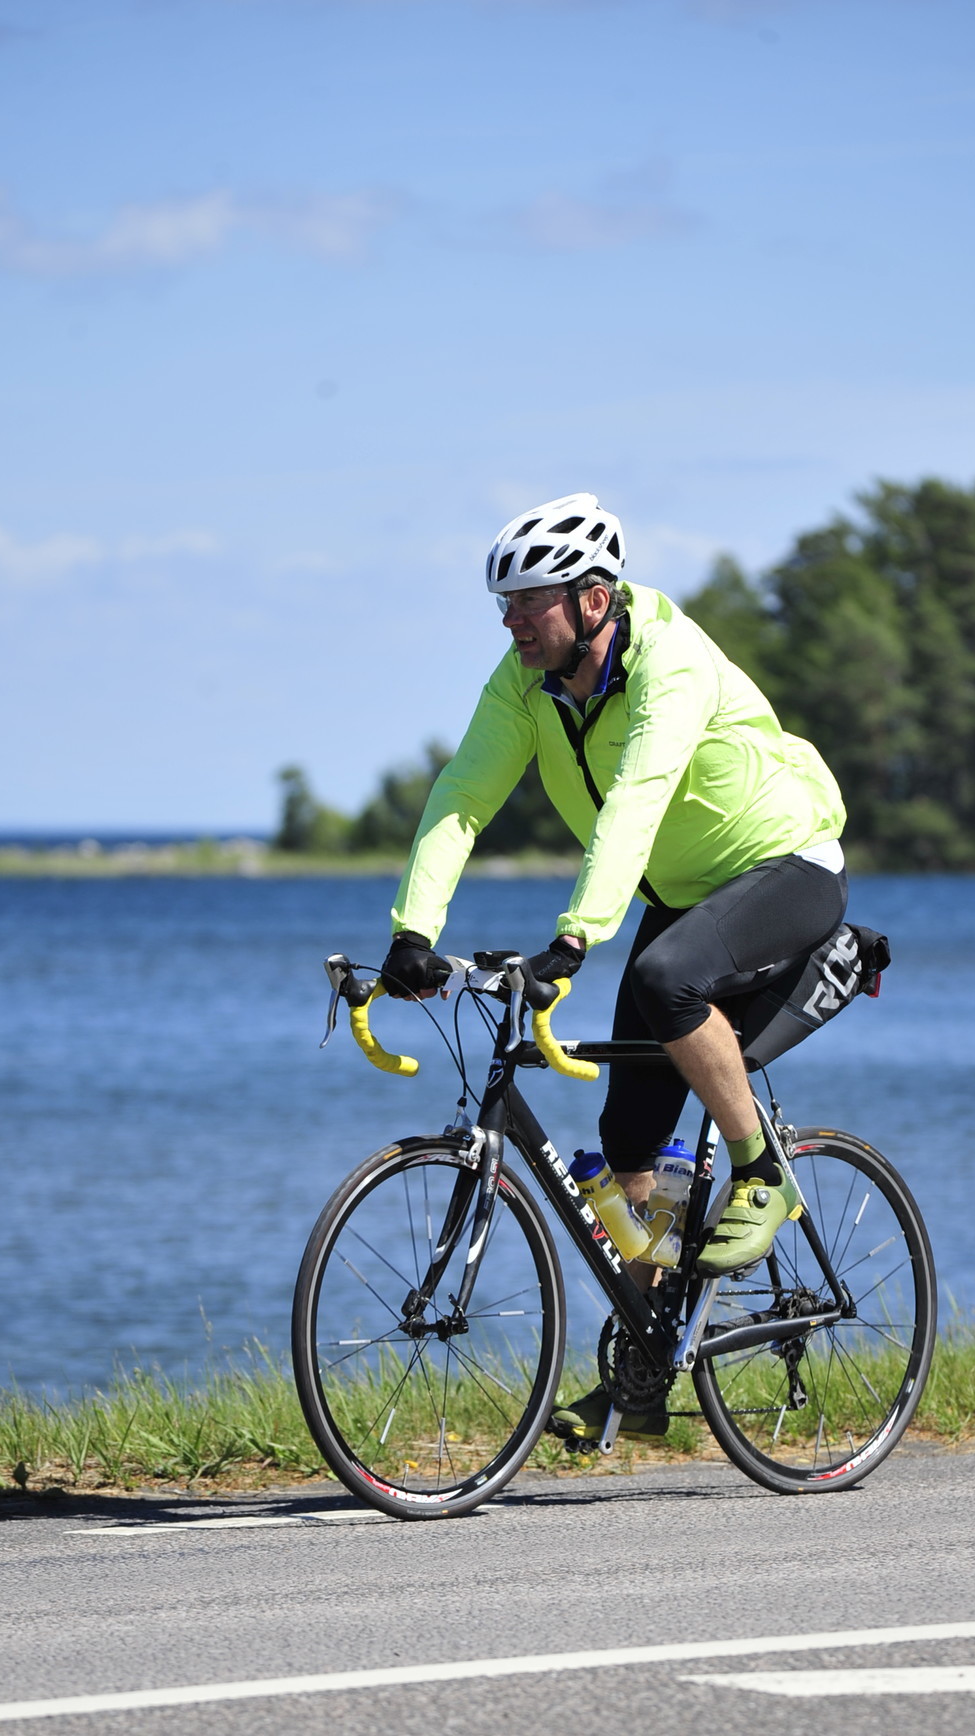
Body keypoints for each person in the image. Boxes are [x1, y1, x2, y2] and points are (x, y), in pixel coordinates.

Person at [379, 493, 847, 1442]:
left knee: (666, 979)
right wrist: (411, 932)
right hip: (683, 893)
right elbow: (463, 797)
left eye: (528, 603)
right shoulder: (526, 685)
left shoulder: (671, 662)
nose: (510, 622)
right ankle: (647, 1361)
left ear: (593, 599)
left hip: (787, 864)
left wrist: (575, 940)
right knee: (630, 1148)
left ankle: (761, 1170)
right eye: (504, 605)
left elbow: (637, 797)